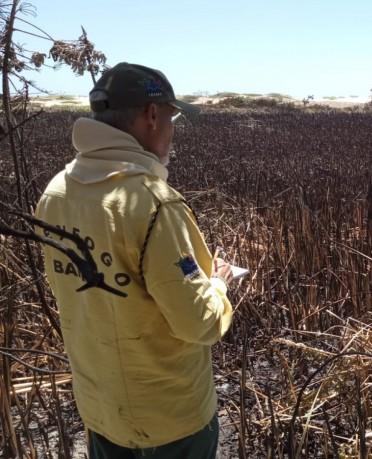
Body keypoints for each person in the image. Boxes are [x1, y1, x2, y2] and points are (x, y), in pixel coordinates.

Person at [35, 62, 235, 458]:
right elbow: (199, 323)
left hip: (101, 409)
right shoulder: (155, 205)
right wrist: (219, 284)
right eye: (172, 117)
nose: (173, 130)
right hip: (172, 418)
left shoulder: (55, 193)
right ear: (152, 115)